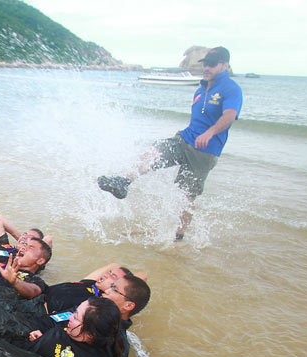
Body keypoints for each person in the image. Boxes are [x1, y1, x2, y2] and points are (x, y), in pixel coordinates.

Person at [98, 46, 242, 240]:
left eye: (212, 64)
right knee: (155, 151)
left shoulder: (231, 88)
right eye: (205, 64)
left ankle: (178, 236)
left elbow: (230, 116)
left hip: (205, 151)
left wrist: (209, 133)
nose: (207, 67)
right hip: (185, 139)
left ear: (225, 65)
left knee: (187, 196)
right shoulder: (201, 88)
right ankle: (124, 182)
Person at [25, 297, 124, 357]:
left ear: (90, 334)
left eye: (76, 317)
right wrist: (42, 338)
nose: (70, 317)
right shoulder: (74, 329)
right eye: (75, 311)